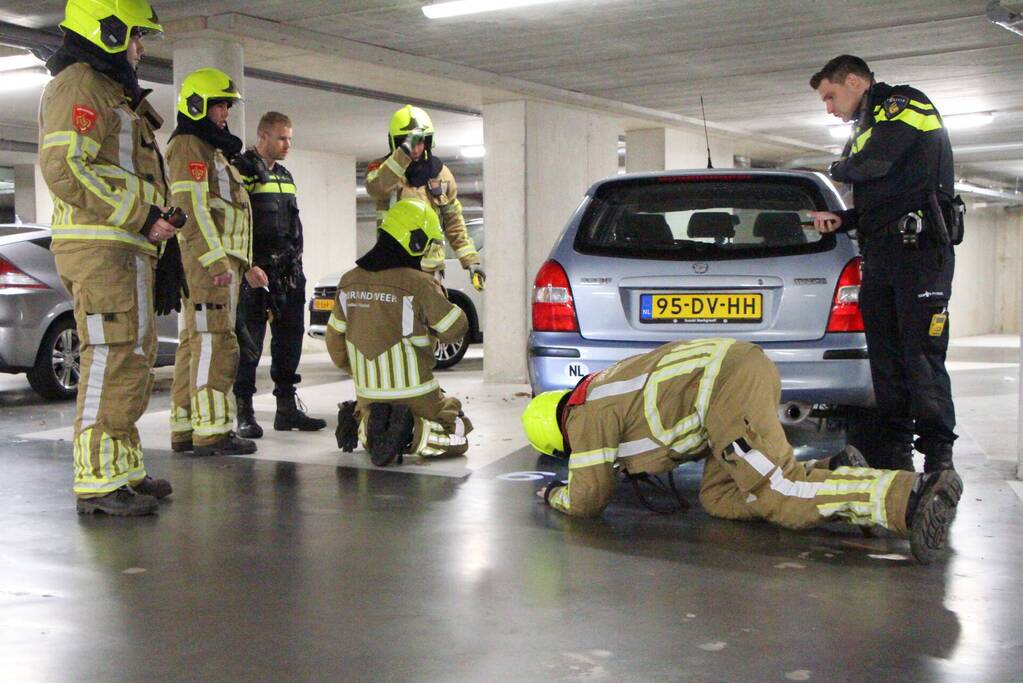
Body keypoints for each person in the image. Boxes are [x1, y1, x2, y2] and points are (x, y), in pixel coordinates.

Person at [523, 338, 963, 564]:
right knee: (721, 498)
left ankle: (913, 497)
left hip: (723, 388)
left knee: (778, 493)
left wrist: (553, 495)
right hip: (727, 386)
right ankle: (835, 470)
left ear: (556, 435)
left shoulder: (585, 414)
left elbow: (587, 499)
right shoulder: (600, 389)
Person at [39, 0, 174, 515]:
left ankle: (121, 468)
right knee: (109, 356)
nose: (140, 48)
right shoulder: (81, 85)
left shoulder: (110, 90)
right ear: (110, 31)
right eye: (136, 36)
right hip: (101, 246)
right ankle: (96, 479)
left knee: (132, 357)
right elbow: (64, 168)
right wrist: (140, 215)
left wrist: (153, 225)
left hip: (124, 246)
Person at [806, 55, 960, 473]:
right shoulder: (864, 129)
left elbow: (874, 165)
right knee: (886, 362)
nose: (829, 108)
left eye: (830, 96)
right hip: (881, 256)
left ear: (855, 81)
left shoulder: (903, 105)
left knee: (921, 357)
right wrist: (845, 220)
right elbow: (883, 197)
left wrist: (837, 167)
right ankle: (895, 455)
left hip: (921, 255)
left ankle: (938, 457)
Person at [165, 67, 268, 456]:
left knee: (195, 343)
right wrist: (216, 262)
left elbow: (230, 211)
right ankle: (211, 431)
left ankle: (186, 426)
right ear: (198, 106)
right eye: (220, 105)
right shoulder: (190, 145)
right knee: (215, 342)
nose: (226, 113)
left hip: (223, 260)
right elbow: (191, 208)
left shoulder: (211, 151)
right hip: (211, 262)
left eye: (227, 105)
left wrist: (246, 263)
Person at [326, 199, 472, 466]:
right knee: (458, 429)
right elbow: (455, 329)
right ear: (415, 242)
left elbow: (334, 342)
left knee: (377, 430)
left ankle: (362, 424)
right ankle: (412, 433)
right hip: (417, 393)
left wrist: (358, 371)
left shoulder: (348, 281)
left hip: (368, 392)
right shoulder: (419, 283)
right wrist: (440, 295)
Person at [231, 111, 325, 437]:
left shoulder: (285, 175)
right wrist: (246, 266)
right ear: (263, 136)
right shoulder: (241, 170)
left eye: (290, 138)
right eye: (282, 138)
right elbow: (234, 223)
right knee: (250, 344)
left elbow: (293, 224)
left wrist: (297, 264)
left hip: (288, 272)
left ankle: (286, 408)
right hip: (256, 272)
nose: (287, 144)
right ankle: (244, 411)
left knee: (290, 340)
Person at [365, 104, 485, 290]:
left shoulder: (441, 174)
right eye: (410, 143)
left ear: (428, 142)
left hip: (429, 269)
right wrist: (402, 154)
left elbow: (453, 221)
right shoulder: (382, 170)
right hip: (393, 265)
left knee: (433, 318)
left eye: (420, 142)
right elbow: (377, 188)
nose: (416, 149)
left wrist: (471, 262)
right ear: (396, 142)